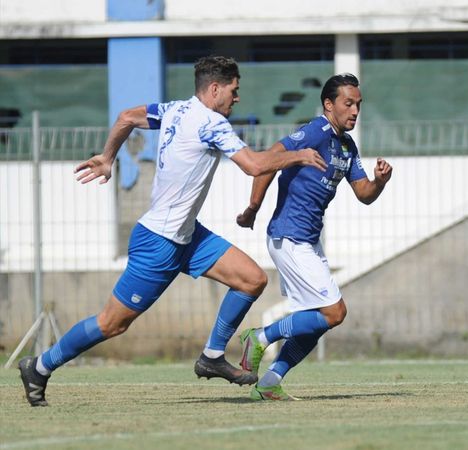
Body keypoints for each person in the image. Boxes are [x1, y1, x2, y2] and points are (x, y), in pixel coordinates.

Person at [17, 55, 328, 407]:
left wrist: (108, 157)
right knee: (112, 324)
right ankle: (39, 366)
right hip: (158, 243)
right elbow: (254, 165)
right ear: (215, 89)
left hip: (188, 236)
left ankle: (211, 355)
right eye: (234, 90)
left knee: (252, 279)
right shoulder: (212, 123)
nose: (237, 98)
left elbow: (126, 117)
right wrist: (298, 155)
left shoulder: (175, 109)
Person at [234, 73, 392, 401]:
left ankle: (270, 382)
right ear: (328, 104)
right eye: (348, 103)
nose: (355, 111)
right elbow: (267, 161)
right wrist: (252, 207)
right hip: (289, 237)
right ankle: (260, 337)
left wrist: (379, 182)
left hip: (308, 241)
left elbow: (363, 193)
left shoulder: (346, 145)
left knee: (316, 322)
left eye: (358, 105)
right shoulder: (313, 132)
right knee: (334, 312)